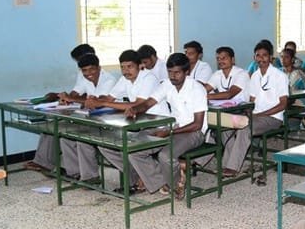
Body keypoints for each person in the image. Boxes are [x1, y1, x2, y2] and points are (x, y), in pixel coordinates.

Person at [99, 53, 207, 199]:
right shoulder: (167, 84)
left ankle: (176, 186)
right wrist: (135, 109)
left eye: (177, 72)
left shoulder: (197, 89)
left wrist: (169, 132)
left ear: (186, 72)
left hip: (193, 132)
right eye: (170, 72)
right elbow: (148, 103)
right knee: (135, 150)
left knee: (165, 156)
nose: (173, 76)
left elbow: (197, 124)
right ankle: (161, 181)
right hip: (172, 127)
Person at [63, 50, 164, 182]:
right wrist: (95, 100)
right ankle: (136, 175)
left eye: (130, 66)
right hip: (137, 123)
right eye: (122, 67)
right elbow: (109, 97)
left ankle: (142, 177)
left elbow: (138, 105)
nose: (126, 71)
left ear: (140, 66)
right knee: (105, 145)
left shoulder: (148, 78)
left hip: (157, 123)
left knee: (125, 145)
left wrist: (102, 103)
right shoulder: (124, 79)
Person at [25, 51, 116, 174]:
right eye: (84, 71)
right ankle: (61, 169)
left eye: (92, 69)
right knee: (52, 128)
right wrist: (65, 98)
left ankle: (81, 173)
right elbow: (75, 93)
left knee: (69, 134)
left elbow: (98, 102)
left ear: (99, 68)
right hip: (88, 117)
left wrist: (71, 99)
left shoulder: (109, 80)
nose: (88, 73)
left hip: (106, 120)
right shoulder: (85, 78)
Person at [222, 41, 289, 179]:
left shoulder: (280, 76)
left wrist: (260, 114)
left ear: (271, 57)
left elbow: (283, 104)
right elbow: (251, 101)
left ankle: (233, 166)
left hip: (273, 118)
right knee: (226, 126)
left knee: (244, 129)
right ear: (254, 57)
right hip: (255, 116)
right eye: (258, 55)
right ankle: (230, 161)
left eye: (265, 55)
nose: (261, 58)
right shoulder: (254, 76)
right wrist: (245, 112)